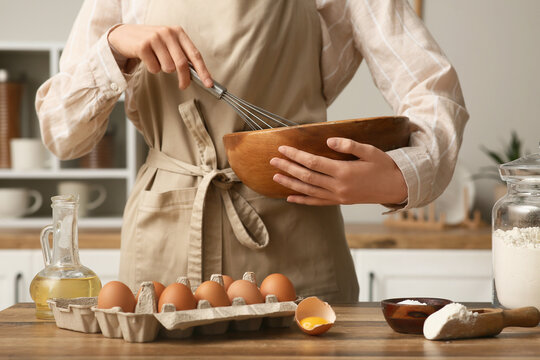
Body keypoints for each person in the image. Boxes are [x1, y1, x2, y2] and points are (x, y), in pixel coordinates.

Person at [36, 0, 468, 303]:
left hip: (298, 241)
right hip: (163, 240)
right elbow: (62, 133)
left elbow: (433, 90)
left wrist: (402, 173)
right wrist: (113, 47)